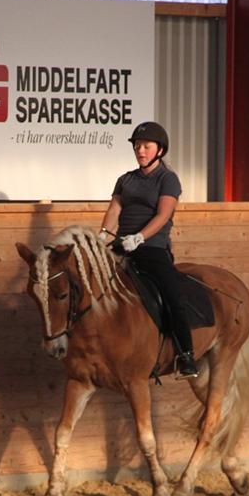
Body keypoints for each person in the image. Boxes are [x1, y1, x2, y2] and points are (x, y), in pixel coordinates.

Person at [98, 121, 198, 378]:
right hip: (121, 245)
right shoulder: (125, 180)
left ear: (159, 150)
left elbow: (164, 214)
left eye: (146, 146)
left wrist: (140, 237)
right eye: (137, 146)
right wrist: (103, 236)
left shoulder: (168, 179)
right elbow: (114, 211)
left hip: (152, 248)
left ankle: (186, 354)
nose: (140, 150)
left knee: (172, 295)